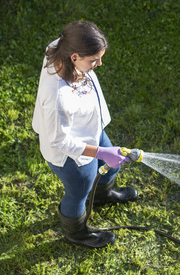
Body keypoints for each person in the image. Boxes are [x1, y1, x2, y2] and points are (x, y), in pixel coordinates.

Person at [32, 21, 138, 248]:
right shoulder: (57, 97)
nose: (99, 64)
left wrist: (102, 150)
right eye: (93, 60)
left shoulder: (59, 47)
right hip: (69, 154)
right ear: (74, 57)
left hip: (89, 130)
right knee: (80, 189)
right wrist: (101, 151)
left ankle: (101, 196)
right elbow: (59, 140)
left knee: (112, 166)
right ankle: (76, 233)